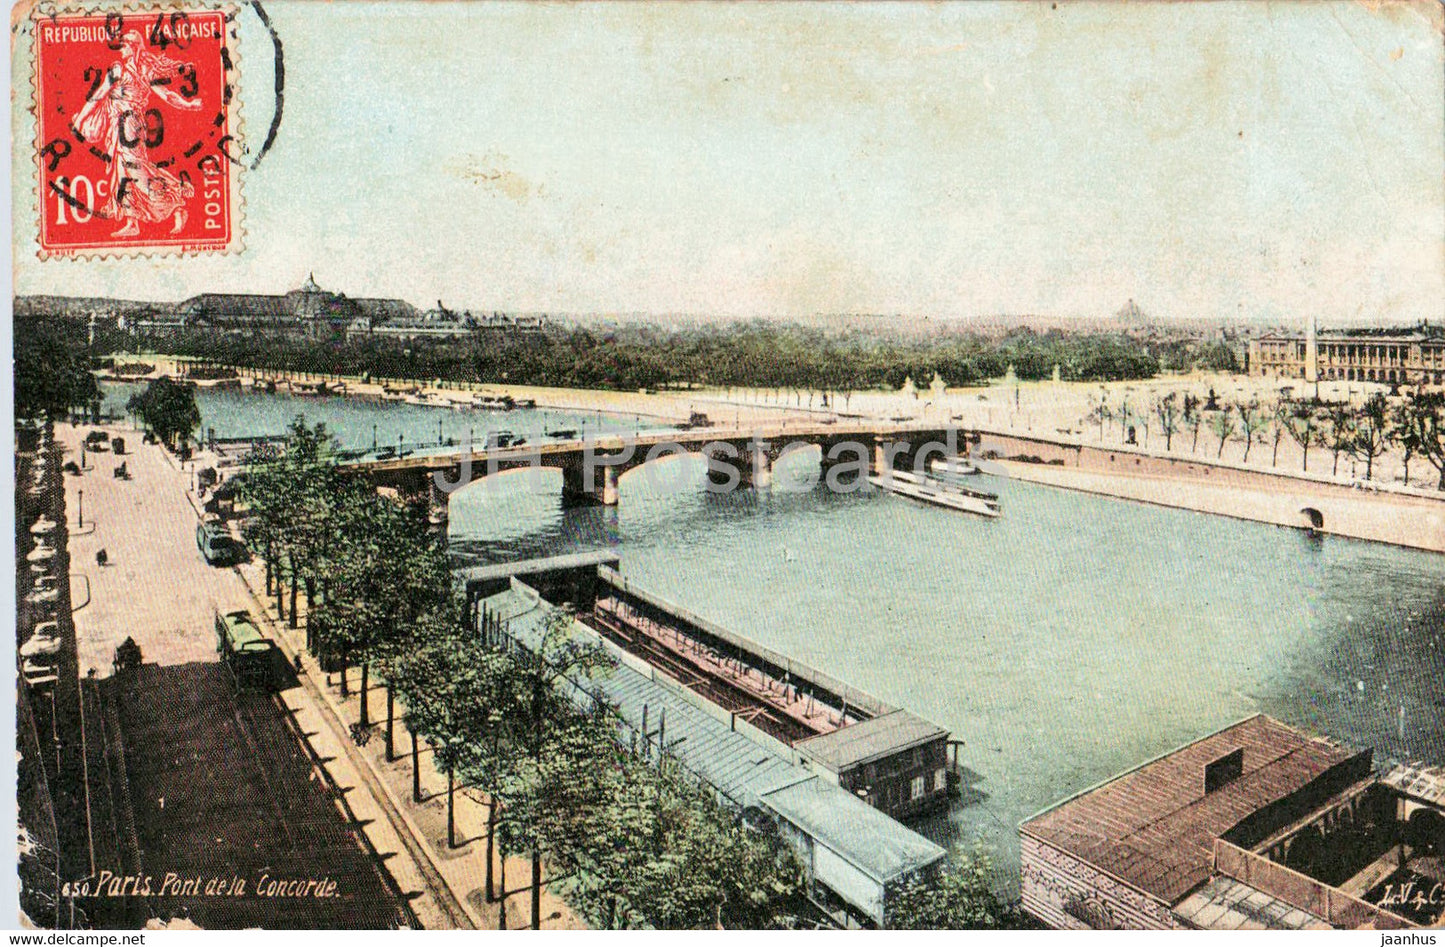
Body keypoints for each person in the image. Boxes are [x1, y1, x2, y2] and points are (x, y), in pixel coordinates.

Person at [71, 31, 204, 237]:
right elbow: (98, 95)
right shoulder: (118, 69)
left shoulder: (144, 70)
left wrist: (188, 105)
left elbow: (167, 95)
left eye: (124, 45)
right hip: (117, 125)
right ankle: (132, 222)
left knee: (137, 170)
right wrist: (80, 120)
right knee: (122, 171)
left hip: (130, 125)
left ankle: (176, 203)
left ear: (133, 47)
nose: (121, 49)